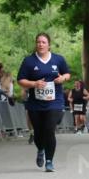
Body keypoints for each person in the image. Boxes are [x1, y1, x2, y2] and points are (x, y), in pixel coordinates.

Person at [17, 33, 71, 171]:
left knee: (49, 130)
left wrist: (62, 79)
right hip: (36, 103)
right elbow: (21, 80)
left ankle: (49, 161)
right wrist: (34, 83)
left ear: (49, 44)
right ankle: (40, 149)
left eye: (44, 42)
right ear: (36, 44)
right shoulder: (29, 61)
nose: (41, 44)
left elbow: (67, 74)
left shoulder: (58, 59)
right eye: (38, 42)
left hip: (54, 101)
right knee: (39, 132)